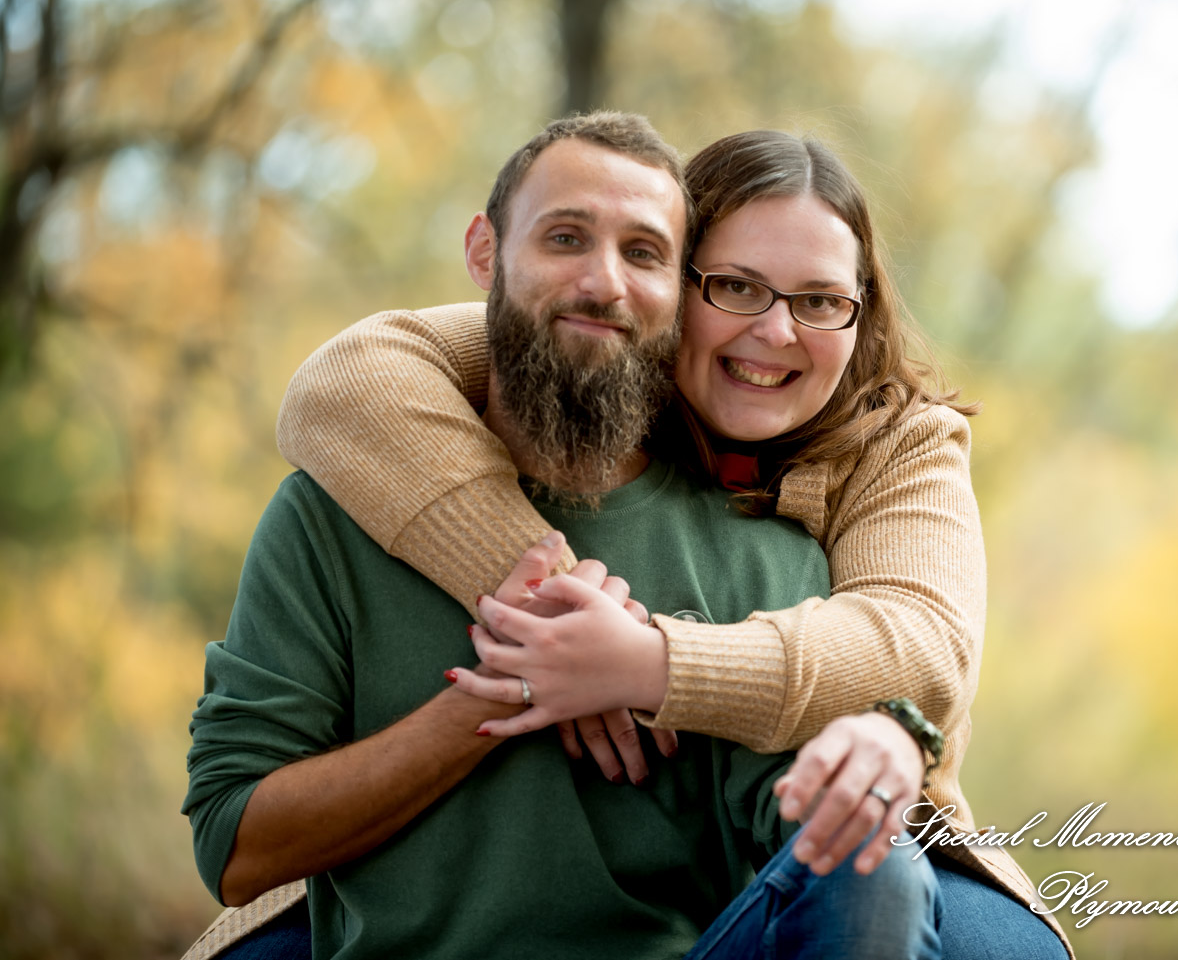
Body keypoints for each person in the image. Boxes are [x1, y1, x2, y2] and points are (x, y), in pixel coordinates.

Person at [265, 126, 1073, 958]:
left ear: (860, 311)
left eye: (821, 300)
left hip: (855, 810)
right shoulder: (599, 368)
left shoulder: (901, 442)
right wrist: (556, 613)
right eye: (735, 287)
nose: (777, 332)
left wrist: (644, 662)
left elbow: (921, 651)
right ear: (676, 286)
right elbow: (343, 383)